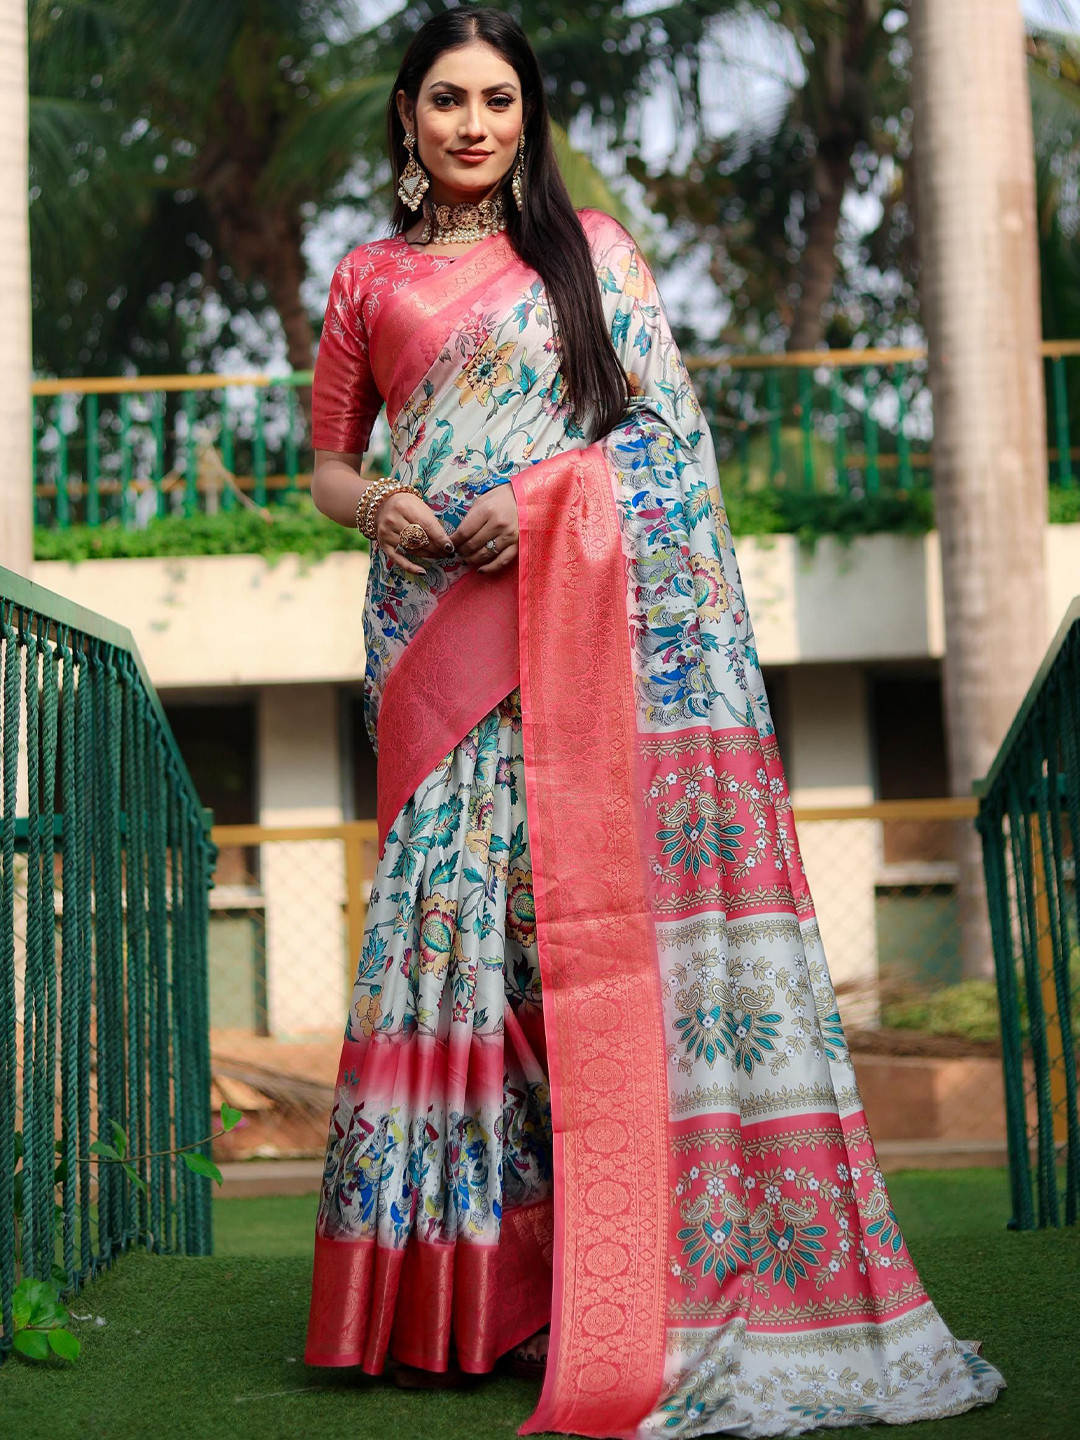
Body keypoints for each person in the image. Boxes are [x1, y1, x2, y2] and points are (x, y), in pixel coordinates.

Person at [303, 9, 1005, 1437]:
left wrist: (539, 505)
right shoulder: (368, 276)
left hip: (576, 646)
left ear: (529, 117)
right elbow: (327, 462)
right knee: (459, 957)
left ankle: (620, 1283)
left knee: (586, 956)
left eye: (500, 99)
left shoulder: (592, 255)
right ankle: (464, 1304)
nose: (474, 124)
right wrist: (381, 505)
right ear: (406, 116)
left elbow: (665, 443)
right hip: (431, 643)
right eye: (448, 99)